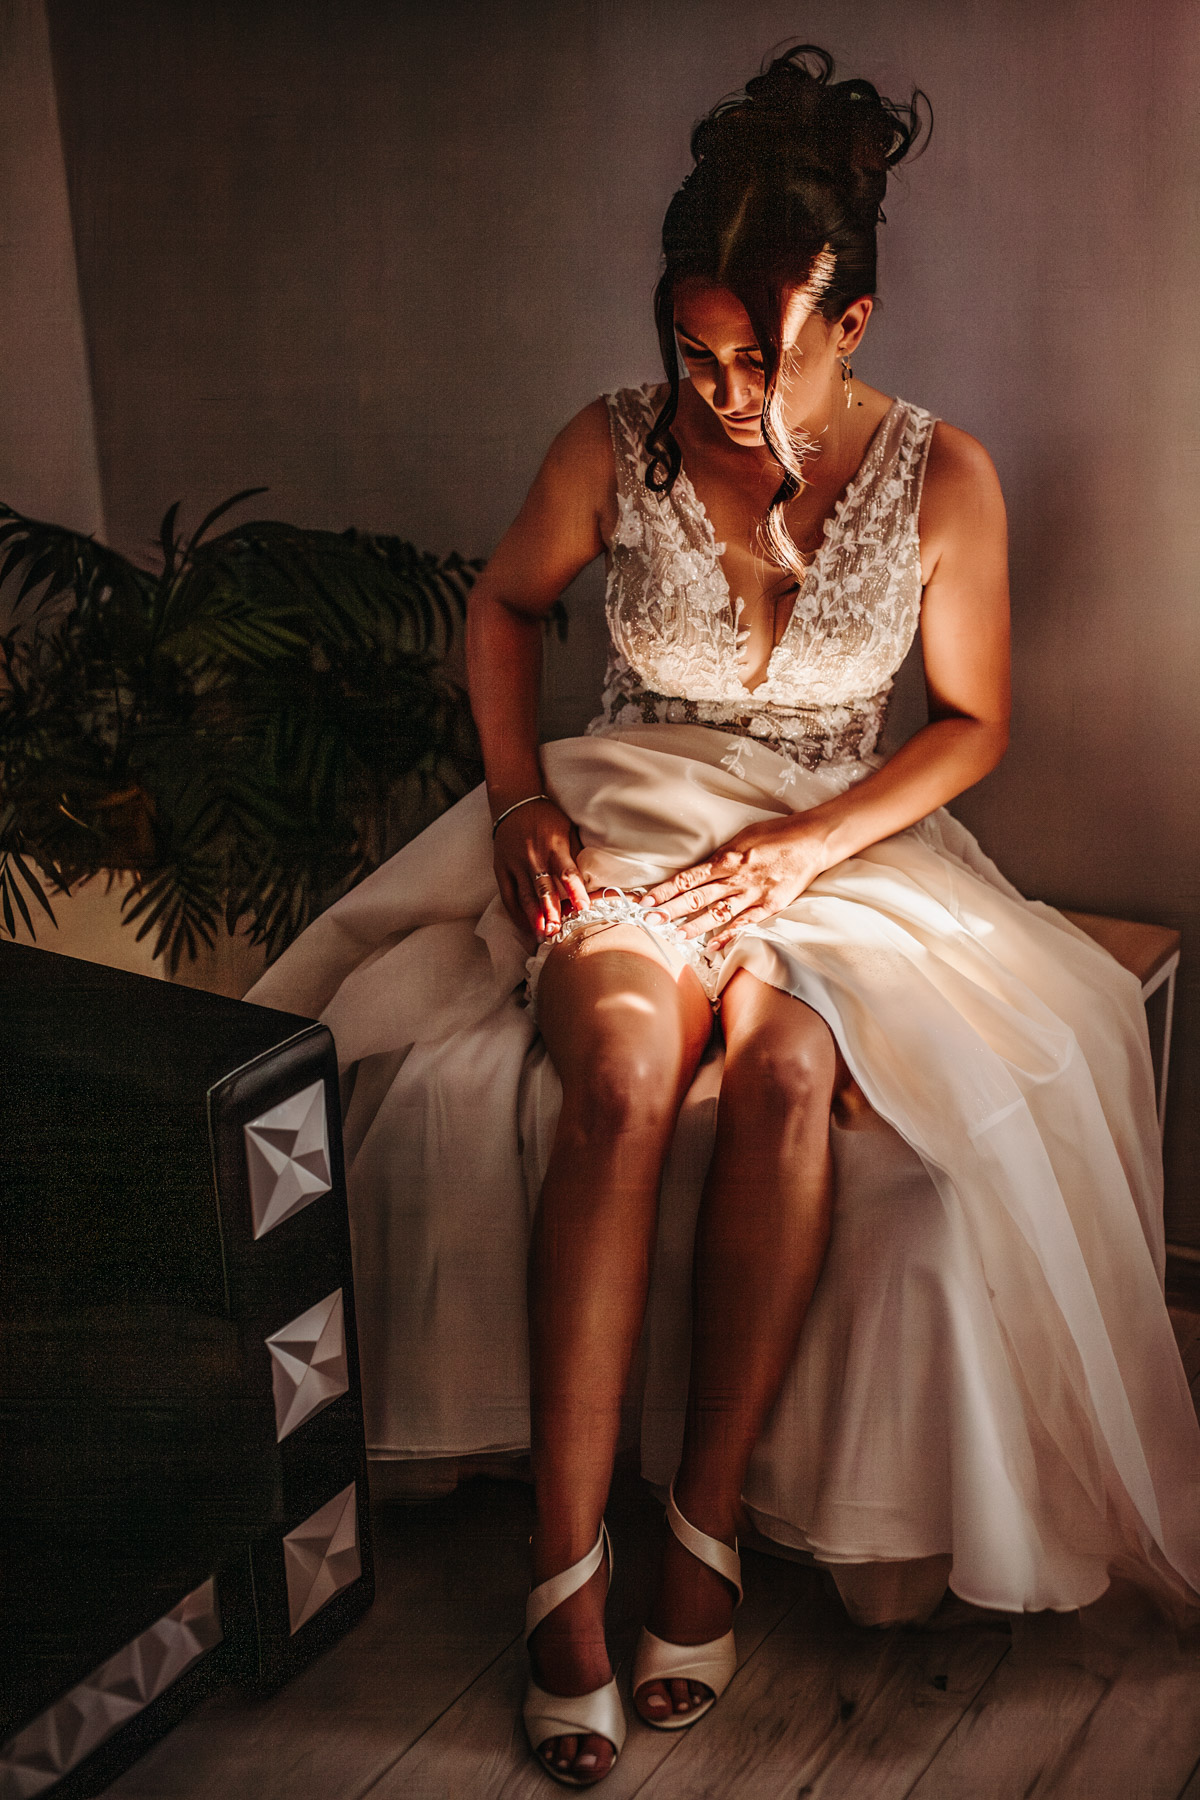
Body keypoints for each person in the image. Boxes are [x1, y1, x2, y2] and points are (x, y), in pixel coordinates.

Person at [244, 43, 1200, 1790]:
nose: (726, 393)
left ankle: (703, 1530)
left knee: (784, 1079)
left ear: (857, 323)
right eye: (697, 355)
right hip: (633, 809)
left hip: (841, 840)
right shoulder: (609, 443)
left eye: (764, 358)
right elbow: (504, 610)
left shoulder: (945, 477)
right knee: (618, 1081)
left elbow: (973, 723)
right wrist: (519, 798)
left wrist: (810, 846)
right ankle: (564, 1570)